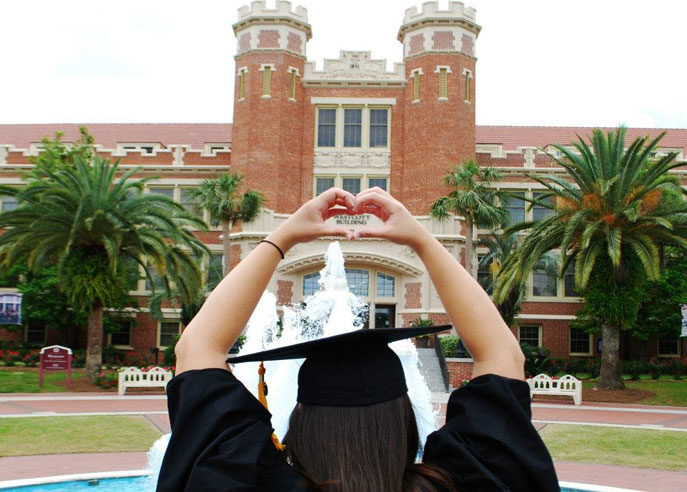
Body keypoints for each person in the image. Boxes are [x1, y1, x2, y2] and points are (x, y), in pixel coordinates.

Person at [157, 187, 560, 492]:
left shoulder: (245, 479)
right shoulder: (462, 482)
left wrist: (282, 238)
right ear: (406, 422)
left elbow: (196, 348)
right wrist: (423, 241)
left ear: (300, 423)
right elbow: (502, 355)